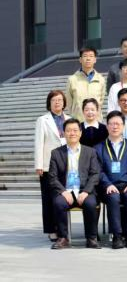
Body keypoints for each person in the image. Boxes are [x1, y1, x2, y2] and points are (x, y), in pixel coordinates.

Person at [48, 119, 103, 249]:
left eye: (75, 130)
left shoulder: (90, 152)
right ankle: (63, 238)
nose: (72, 133)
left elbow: (95, 174)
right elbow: (52, 177)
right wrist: (63, 191)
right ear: (63, 133)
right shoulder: (56, 153)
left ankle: (91, 238)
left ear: (80, 133)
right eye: (68, 130)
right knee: (58, 203)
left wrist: (86, 191)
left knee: (91, 203)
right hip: (65, 190)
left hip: (84, 190)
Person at [96, 111, 127, 249]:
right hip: (108, 186)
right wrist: (107, 184)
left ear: (123, 126)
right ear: (107, 126)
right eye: (112, 124)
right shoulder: (98, 148)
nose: (115, 127)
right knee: (113, 196)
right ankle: (116, 235)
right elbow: (98, 171)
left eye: (118, 124)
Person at [35, 90, 70, 241]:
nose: (57, 102)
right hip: (48, 165)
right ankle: (51, 229)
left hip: (66, 164)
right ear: (49, 103)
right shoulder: (43, 120)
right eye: (54, 100)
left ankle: (63, 227)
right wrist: (39, 164)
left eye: (60, 100)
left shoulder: (69, 119)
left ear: (64, 103)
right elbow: (39, 143)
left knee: (61, 197)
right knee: (48, 198)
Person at [67, 47, 108, 121]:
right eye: (85, 56)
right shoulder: (72, 79)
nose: (88, 59)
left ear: (95, 60)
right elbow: (69, 103)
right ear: (80, 59)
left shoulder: (101, 79)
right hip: (78, 122)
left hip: (96, 121)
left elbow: (101, 101)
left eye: (91, 56)